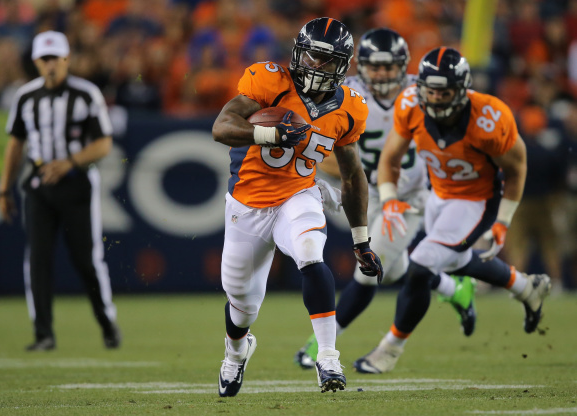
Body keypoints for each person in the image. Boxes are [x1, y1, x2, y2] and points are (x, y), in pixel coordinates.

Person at [211, 17, 382, 396]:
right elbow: (221, 126)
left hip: (297, 194)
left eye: (327, 60)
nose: (316, 66)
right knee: (241, 304)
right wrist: (268, 133)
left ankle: (327, 357)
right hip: (247, 204)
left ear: (342, 65)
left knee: (310, 252)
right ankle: (236, 353)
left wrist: (361, 240)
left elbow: (353, 176)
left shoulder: (351, 106)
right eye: (312, 57)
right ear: (298, 52)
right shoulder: (269, 81)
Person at [294, 29, 478, 373]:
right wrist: (344, 169)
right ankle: (455, 288)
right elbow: (323, 148)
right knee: (388, 269)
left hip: (408, 196)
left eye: (388, 66)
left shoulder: (424, 90)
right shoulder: (344, 91)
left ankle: (320, 343)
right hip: (370, 191)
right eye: (373, 67)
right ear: (359, 66)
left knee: (367, 271)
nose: (381, 74)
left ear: (403, 66)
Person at [368, 46, 552, 373]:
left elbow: (516, 168)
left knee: (422, 265)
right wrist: (388, 197)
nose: (436, 98)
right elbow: (390, 157)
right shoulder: (410, 104)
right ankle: (527, 288)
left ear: (462, 90)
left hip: (476, 201)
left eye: (445, 91)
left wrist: (503, 221)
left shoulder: (489, 118)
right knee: (457, 261)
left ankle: (390, 349)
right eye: (431, 90)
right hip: (437, 194)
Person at [0, 30, 120, 351]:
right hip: (39, 187)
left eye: (55, 58)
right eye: (44, 58)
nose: (50, 64)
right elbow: (15, 144)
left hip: (76, 185)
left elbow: (104, 143)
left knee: (86, 260)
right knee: (37, 258)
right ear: (36, 61)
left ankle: (106, 323)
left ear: (67, 59)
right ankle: (43, 334)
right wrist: (3, 189)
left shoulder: (86, 93)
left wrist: (69, 162)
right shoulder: (25, 96)